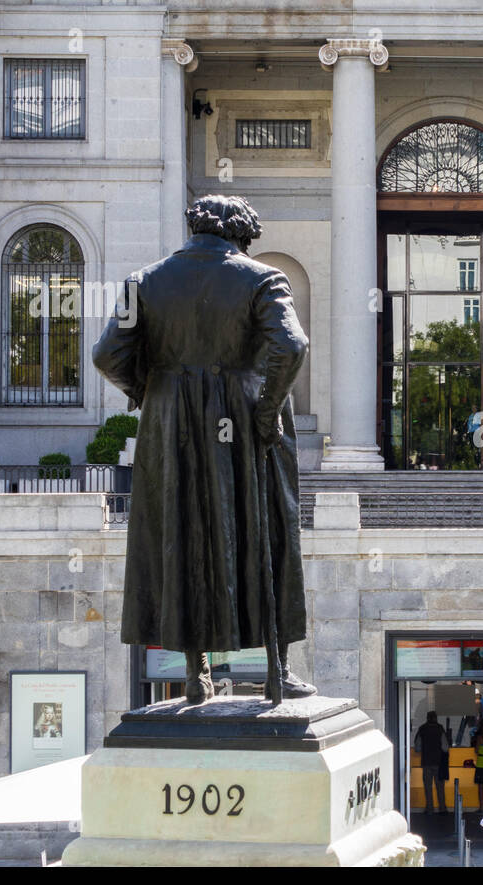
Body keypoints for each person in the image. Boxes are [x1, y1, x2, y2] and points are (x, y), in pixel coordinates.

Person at [93, 195, 315, 705]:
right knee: (266, 531)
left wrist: (152, 391)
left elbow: (107, 353)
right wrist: (264, 411)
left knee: (181, 532)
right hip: (240, 414)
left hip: (170, 423)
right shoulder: (262, 279)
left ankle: (197, 675)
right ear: (240, 235)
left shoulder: (142, 282)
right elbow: (292, 345)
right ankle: (277, 667)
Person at [414, 710, 450, 814]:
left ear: (427, 718)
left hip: (426, 762)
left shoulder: (422, 729)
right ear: (435, 718)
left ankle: (430, 808)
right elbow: (445, 747)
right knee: (440, 787)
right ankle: (442, 808)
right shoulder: (440, 729)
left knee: (428, 787)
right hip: (438, 762)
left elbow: (417, 747)